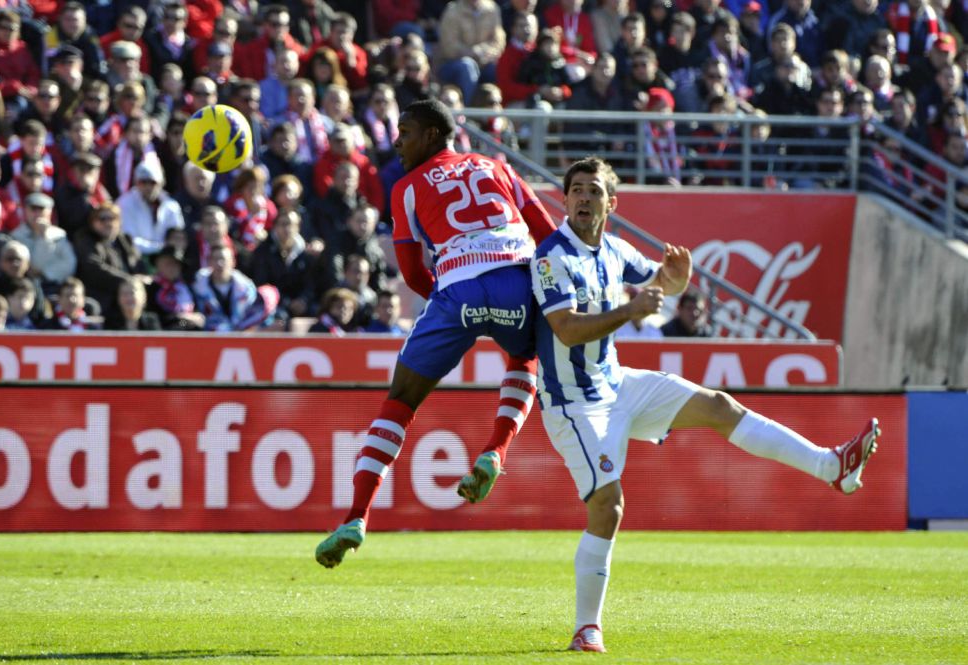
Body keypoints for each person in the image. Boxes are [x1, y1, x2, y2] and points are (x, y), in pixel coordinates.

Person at [531, 157, 880, 652]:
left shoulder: (614, 249)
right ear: (564, 200)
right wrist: (631, 309)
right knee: (608, 507)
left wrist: (676, 279)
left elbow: (662, 282)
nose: (583, 198)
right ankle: (587, 627)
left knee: (718, 404)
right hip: (573, 403)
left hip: (616, 383)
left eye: (593, 191)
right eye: (576, 191)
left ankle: (832, 466)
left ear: (612, 203)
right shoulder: (551, 257)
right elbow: (565, 329)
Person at [315, 99, 557, 568]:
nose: (397, 142)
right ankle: (494, 452)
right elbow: (546, 234)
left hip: (456, 290)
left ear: (431, 134)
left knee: (400, 400)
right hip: (515, 278)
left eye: (404, 132)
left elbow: (410, 271)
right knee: (525, 357)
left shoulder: (406, 187)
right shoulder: (497, 166)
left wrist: (451, 299)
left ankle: (356, 517)